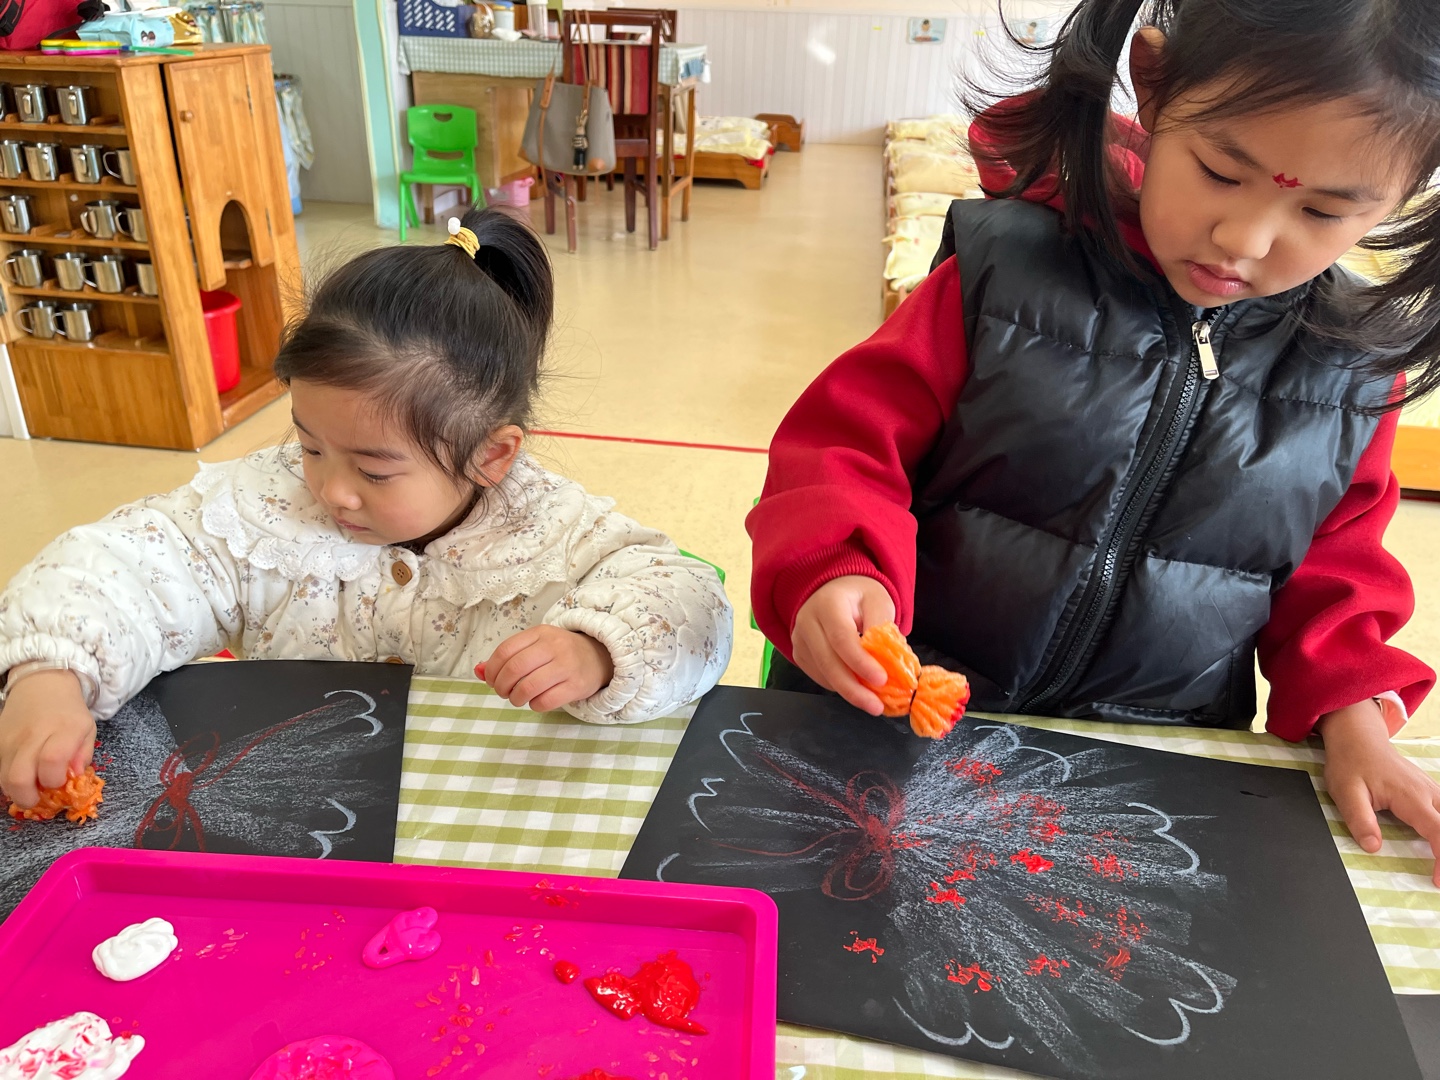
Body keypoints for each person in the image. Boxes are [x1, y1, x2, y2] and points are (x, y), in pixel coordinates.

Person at [749, 0, 1440, 880]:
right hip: (895, 734)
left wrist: (1353, 718)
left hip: (1145, 770)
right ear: (1154, 85)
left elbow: (1334, 575)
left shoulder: (1350, 375)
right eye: (1220, 172)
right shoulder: (999, 279)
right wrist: (838, 571)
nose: (1246, 239)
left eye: (1325, 211)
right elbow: (841, 452)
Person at [0, 208, 733, 808]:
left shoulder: (554, 532)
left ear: (491, 455)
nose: (331, 490)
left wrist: (596, 650)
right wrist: (50, 676)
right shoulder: (262, 509)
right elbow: (127, 563)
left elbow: (690, 605)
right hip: (290, 806)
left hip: (474, 820)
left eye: (375, 470)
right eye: (310, 445)